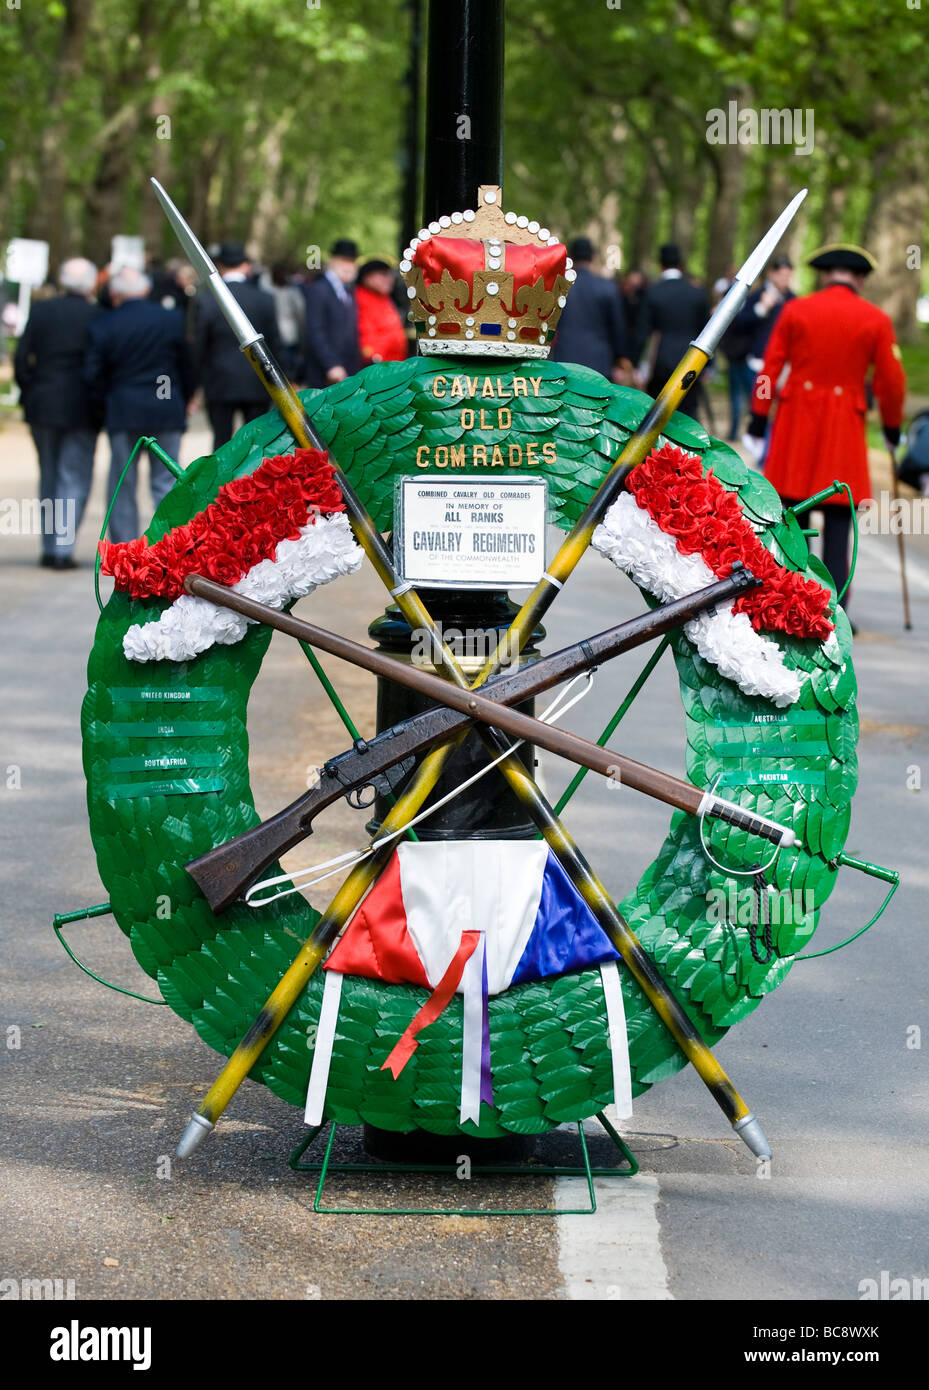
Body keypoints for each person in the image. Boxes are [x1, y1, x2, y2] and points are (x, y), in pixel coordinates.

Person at [746, 244, 906, 607]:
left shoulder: (795, 309)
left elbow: (768, 371)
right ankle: (832, 615)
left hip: (794, 428)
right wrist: (892, 429)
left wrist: (758, 419)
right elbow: (892, 381)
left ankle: (785, 604)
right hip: (843, 431)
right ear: (861, 279)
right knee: (838, 527)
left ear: (824, 274)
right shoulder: (875, 318)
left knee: (792, 524)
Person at [84, 265, 195, 544]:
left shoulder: (104, 323)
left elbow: (92, 374)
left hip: (124, 408)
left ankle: (124, 547)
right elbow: (188, 365)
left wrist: (100, 405)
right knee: (166, 481)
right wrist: (186, 398)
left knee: (122, 482)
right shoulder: (171, 319)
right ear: (146, 290)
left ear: (113, 292)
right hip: (165, 405)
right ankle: (168, 542)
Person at [14, 257, 100, 569]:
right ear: (91, 283)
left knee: (49, 474)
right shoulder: (98, 315)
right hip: (82, 405)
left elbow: (22, 357)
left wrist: (29, 390)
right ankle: (63, 549)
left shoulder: (41, 311)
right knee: (74, 477)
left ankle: (50, 546)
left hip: (43, 401)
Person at [193, 241, 281, 450]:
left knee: (221, 444)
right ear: (246, 265)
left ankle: (222, 483)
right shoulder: (264, 299)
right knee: (257, 444)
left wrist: (194, 384)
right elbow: (275, 342)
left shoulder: (206, 300)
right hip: (258, 379)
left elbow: (198, 346)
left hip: (219, 381)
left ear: (219, 266)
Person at [642, 243, 711, 421]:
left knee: (658, 415)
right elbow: (708, 330)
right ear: (680, 263)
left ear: (660, 264)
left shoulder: (652, 293)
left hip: (661, 360)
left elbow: (643, 331)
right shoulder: (696, 293)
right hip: (692, 359)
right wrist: (709, 366)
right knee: (689, 415)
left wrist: (637, 365)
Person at [550, 237, 630, 380]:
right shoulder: (608, 287)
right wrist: (620, 358)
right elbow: (617, 328)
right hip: (599, 361)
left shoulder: (558, 287)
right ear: (593, 256)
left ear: (571, 257)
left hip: (565, 358)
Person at [302, 239, 362, 389]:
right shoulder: (319, 289)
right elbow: (314, 330)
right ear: (332, 260)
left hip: (347, 369)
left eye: (352, 261)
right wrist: (331, 364)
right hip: (325, 373)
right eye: (344, 260)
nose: (349, 266)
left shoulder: (348, 290)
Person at [355, 259, 408, 365]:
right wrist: (373, 355)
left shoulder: (384, 297)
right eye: (383, 274)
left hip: (394, 363)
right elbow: (364, 331)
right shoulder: (361, 298)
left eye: (390, 274)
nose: (389, 279)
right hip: (377, 367)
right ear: (367, 277)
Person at [265, 262, 306, 382]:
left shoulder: (291, 292)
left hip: (287, 332)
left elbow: (300, 313)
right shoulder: (270, 291)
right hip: (280, 332)